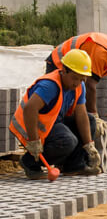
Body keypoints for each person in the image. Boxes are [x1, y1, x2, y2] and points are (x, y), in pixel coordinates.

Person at [10, 48, 102, 179]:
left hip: (54, 122)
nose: (77, 83)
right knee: (68, 140)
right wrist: (34, 141)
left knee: (90, 120)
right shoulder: (49, 86)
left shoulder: (79, 87)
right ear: (64, 70)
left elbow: (81, 115)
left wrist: (89, 145)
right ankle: (30, 162)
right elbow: (30, 108)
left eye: (82, 79)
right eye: (75, 78)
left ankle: (73, 166)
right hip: (33, 126)